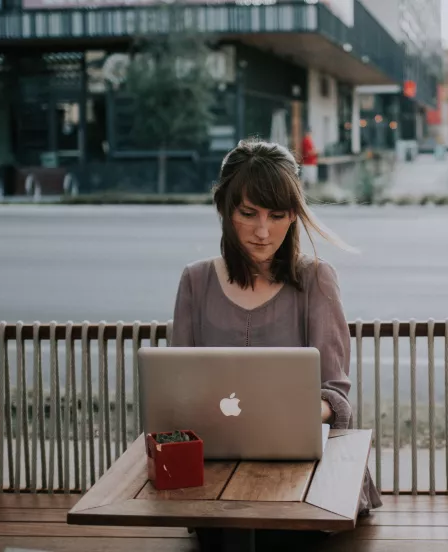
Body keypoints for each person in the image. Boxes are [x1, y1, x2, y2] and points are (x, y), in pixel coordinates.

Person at [170, 139, 382, 550]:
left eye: (278, 215)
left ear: (294, 216)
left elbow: (336, 398)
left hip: (305, 474)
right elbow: (178, 389)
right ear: (224, 209)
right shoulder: (195, 281)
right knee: (227, 527)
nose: (263, 232)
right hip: (217, 471)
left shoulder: (316, 279)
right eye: (248, 214)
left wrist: (290, 412)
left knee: (274, 534)